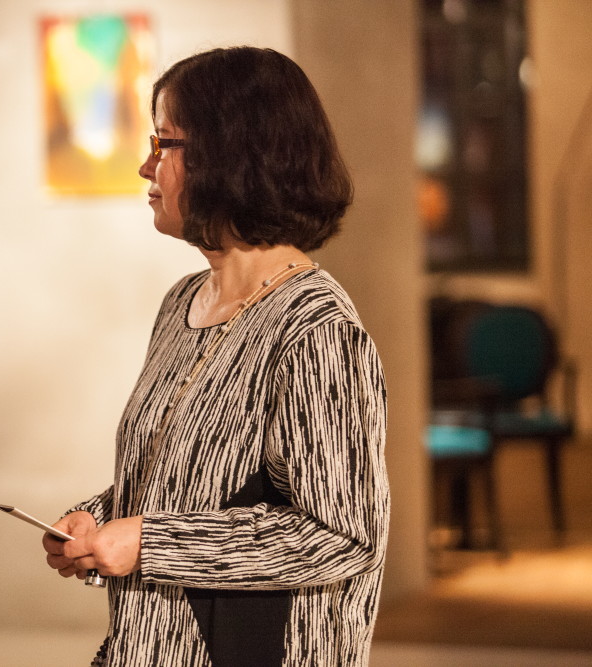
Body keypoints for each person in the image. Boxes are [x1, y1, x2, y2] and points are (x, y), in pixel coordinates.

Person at [42, 47, 389, 666]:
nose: (146, 166)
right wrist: (99, 520)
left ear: (231, 157)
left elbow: (340, 535)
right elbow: (191, 481)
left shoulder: (316, 330)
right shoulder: (183, 301)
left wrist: (149, 542)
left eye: (164, 143)